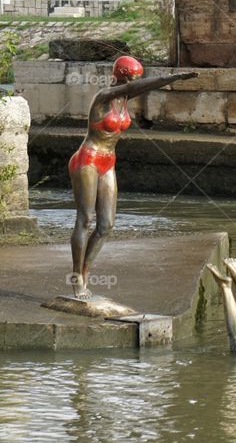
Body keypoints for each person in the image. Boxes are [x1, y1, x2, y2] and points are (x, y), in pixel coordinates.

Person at [68, 56, 196, 298]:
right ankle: (76, 278)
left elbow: (138, 89)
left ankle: (85, 271)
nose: (136, 83)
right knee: (85, 218)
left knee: (106, 225)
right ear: (121, 76)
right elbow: (132, 88)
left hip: (108, 161)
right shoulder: (104, 95)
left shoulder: (124, 99)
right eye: (132, 78)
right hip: (88, 159)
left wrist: (169, 81)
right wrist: (171, 77)